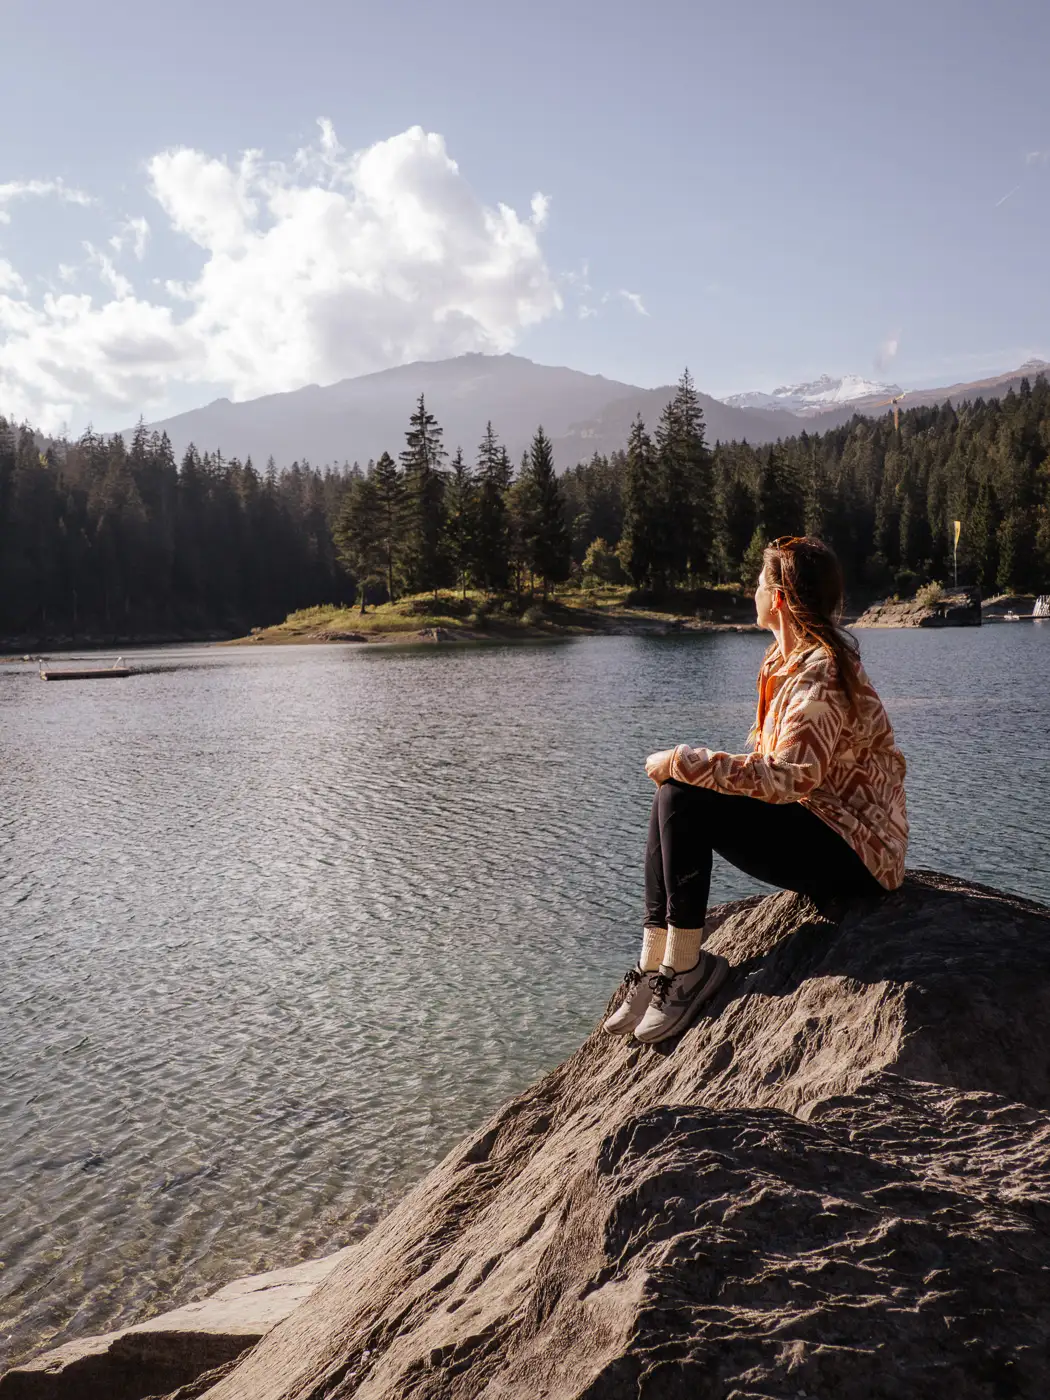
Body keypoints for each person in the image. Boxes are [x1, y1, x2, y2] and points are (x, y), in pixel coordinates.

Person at [605, 535, 908, 1046]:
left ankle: (687, 970)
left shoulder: (822, 672)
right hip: (823, 831)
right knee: (674, 794)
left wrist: (685, 759)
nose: (753, 592)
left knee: (683, 791)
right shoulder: (781, 662)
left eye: (760, 583)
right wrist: (689, 770)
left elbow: (792, 776)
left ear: (781, 599)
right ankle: (657, 959)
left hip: (861, 857)